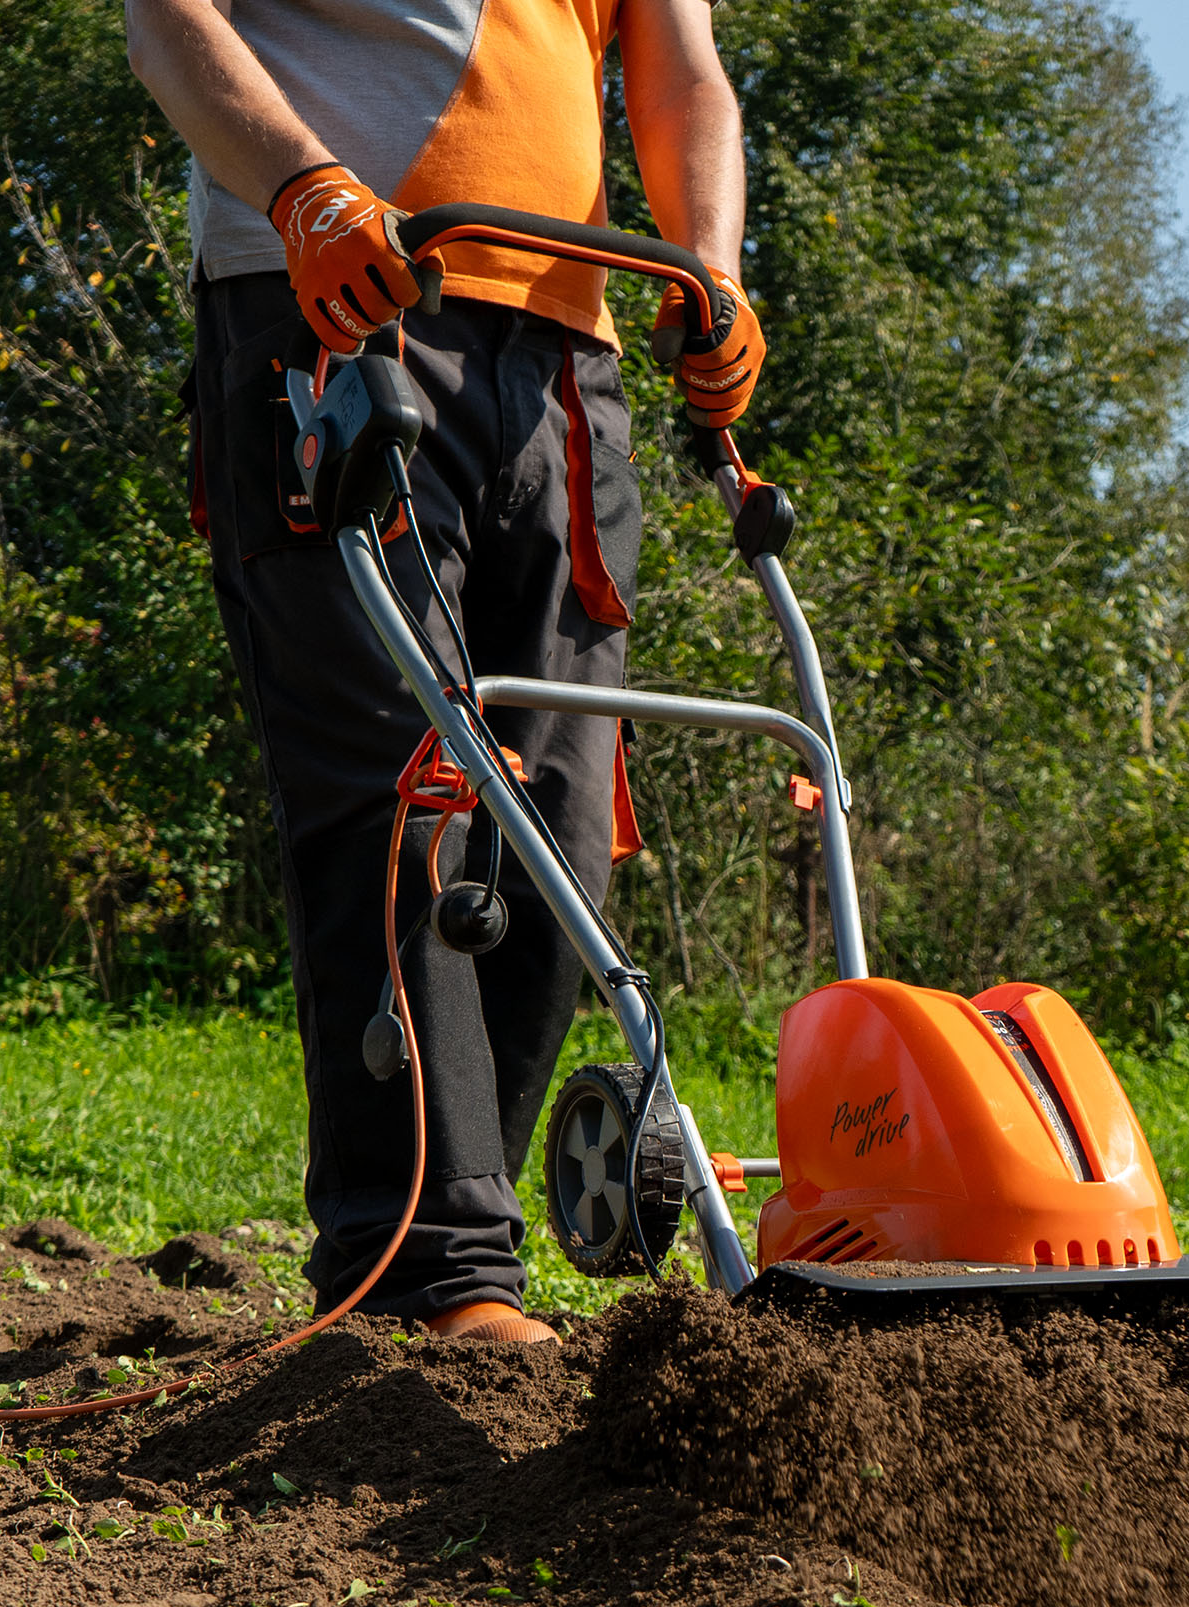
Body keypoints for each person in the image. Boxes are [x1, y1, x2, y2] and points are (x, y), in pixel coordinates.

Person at [125, 0, 762, 1342]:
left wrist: (712, 270)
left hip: (565, 356)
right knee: (401, 792)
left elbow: (686, 76)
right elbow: (166, 21)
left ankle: (465, 1236)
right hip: (335, 304)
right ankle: (430, 1268)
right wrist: (301, 187)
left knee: (560, 828)